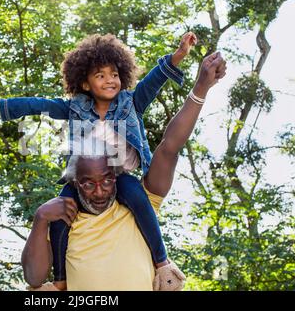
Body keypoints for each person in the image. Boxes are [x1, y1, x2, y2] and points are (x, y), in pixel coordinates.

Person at [0, 32, 198, 289]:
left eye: (114, 74)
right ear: (84, 84)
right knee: (61, 216)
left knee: (139, 199)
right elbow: (39, 105)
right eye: (100, 75)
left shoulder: (131, 102)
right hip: (81, 177)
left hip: (117, 175)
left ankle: (162, 262)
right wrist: (2, 105)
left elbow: (153, 81)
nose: (110, 80)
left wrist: (178, 56)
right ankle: (60, 281)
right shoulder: (75, 107)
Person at [21, 52, 227, 290]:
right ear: (75, 182)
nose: (100, 191)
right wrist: (40, 219)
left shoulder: (139, 203)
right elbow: (34, 278)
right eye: (88, 183)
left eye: (107, 180)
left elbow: (170, 146)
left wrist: (201, 87)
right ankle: (60, 283)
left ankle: (163, 261)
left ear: (116, 174)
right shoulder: (63, 216)